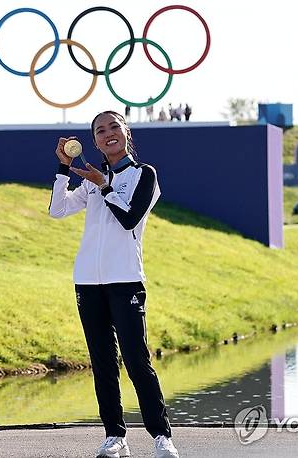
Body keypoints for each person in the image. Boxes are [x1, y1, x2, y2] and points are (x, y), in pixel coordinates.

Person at [49, 111, 179, 458]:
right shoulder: (92, 179)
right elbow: (57, 210)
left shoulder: (143, 174)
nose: (107, 134)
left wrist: (105, 186)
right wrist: (63, 169)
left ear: (126, 132)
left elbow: (128, 219)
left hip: (126, 282)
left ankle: (161, 436)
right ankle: (114, 436)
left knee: (137, 361)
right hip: (88, 283)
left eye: (113, 127)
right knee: (103, 362)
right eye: (99, 130)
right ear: (93, 141)